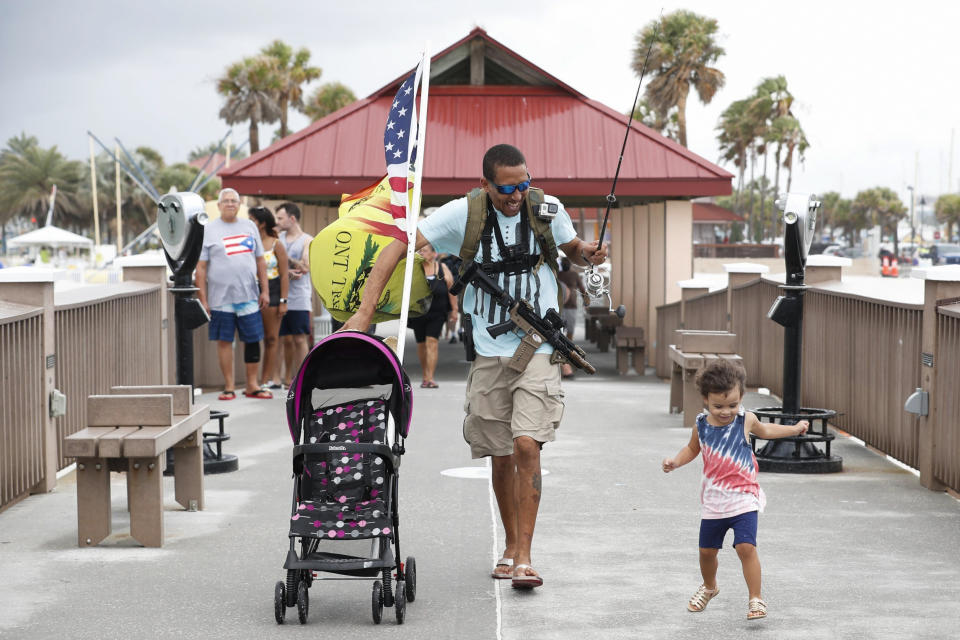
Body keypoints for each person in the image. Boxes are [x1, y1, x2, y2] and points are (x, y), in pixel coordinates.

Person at [342, 143, 608, 589]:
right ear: (486, 183)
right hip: (488, 349)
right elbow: (398, 246)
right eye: (507, 188)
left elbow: (573, 247)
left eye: (524, 184)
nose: (517, 195)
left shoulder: (546, 207)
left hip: (539, 344)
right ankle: (509, 545)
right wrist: (365, 314)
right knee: (500, 453)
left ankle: (525, 555)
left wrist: (590, 252)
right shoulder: (462, 214)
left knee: (527, 444)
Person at [661, 359, 808, 620]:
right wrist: (675, 461)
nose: (726, 411)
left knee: (745, 547)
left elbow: (766, 430)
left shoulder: (745, 420)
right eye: (718, 406)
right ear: (705, 399)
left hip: (744, 497)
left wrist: (794, 429)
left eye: (733, 404)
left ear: (741, 396)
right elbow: (692, 449)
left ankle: (756, 599)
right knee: (706, 552)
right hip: (714, 501)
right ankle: (710, 587)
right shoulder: (702, 425)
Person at [196, 188, 273, 400]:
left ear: (239, 205)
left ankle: (252, 385)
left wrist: (265, 290)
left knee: (252, 339)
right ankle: (229, 386)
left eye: (234, 201)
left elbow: (260, 260)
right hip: (220, 299)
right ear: (219, 206)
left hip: (248, 295)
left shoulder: (249, 226)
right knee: (224, 341)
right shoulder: (209, 230)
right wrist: (203, 299)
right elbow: (201, 268)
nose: (230, 204)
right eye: (226, 201)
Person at [248, 206, 289, 390]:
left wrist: (283, 301)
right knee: (252, 337)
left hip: (273, 290)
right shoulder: (249, 242)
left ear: (262, 223)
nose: (249, 223)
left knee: (271, 338)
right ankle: (252, 381)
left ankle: (265, 380)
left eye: (252, 220)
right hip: (250, 290)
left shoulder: (276, 243)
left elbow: (284, 275)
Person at [407, 243, 457, 388]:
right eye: (420, 251)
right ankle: (425, 374)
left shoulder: (442, 268)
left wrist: (454, 310)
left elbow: (451, 289)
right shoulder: (415, 269)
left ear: (434, 254)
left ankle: (430, 377)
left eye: (425, 251)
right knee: (421, 344)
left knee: (432, 342)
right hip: (418, 313)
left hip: (437, 313)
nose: (421, 253)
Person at [275, 202, 314, 387]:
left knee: (299, 337)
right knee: (283, 339)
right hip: (280, 295)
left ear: (292, 219)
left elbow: (305, 267)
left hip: (299, 297)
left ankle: (302, 378)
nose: (277, 222)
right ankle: (282, 378)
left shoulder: (307, 240)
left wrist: (284, 259)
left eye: (280, 218)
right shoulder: (277, 238)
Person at [555, 257, 588, 379]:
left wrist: (586, 302)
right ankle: (565, 362)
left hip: (571, 306)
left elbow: (582, 289)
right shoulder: (558, 275)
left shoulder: (574, 275)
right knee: (561, 334)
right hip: (560, 307)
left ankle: (568, 359)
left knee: (570, 334)